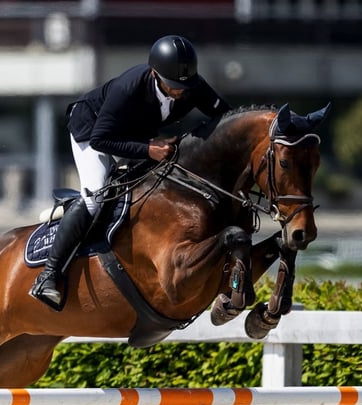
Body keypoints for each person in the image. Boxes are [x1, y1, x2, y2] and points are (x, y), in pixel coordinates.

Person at [30, 34, 232, 305]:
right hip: (92, 130)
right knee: (95, 198)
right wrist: (148, 149)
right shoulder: (129, 88)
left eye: (184, 86)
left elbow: (228, 119)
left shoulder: (190, 85)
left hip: (133, 134)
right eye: (173, 86)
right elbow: (101, 139)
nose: (180, 92)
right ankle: (48, 275)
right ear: (155, 74)